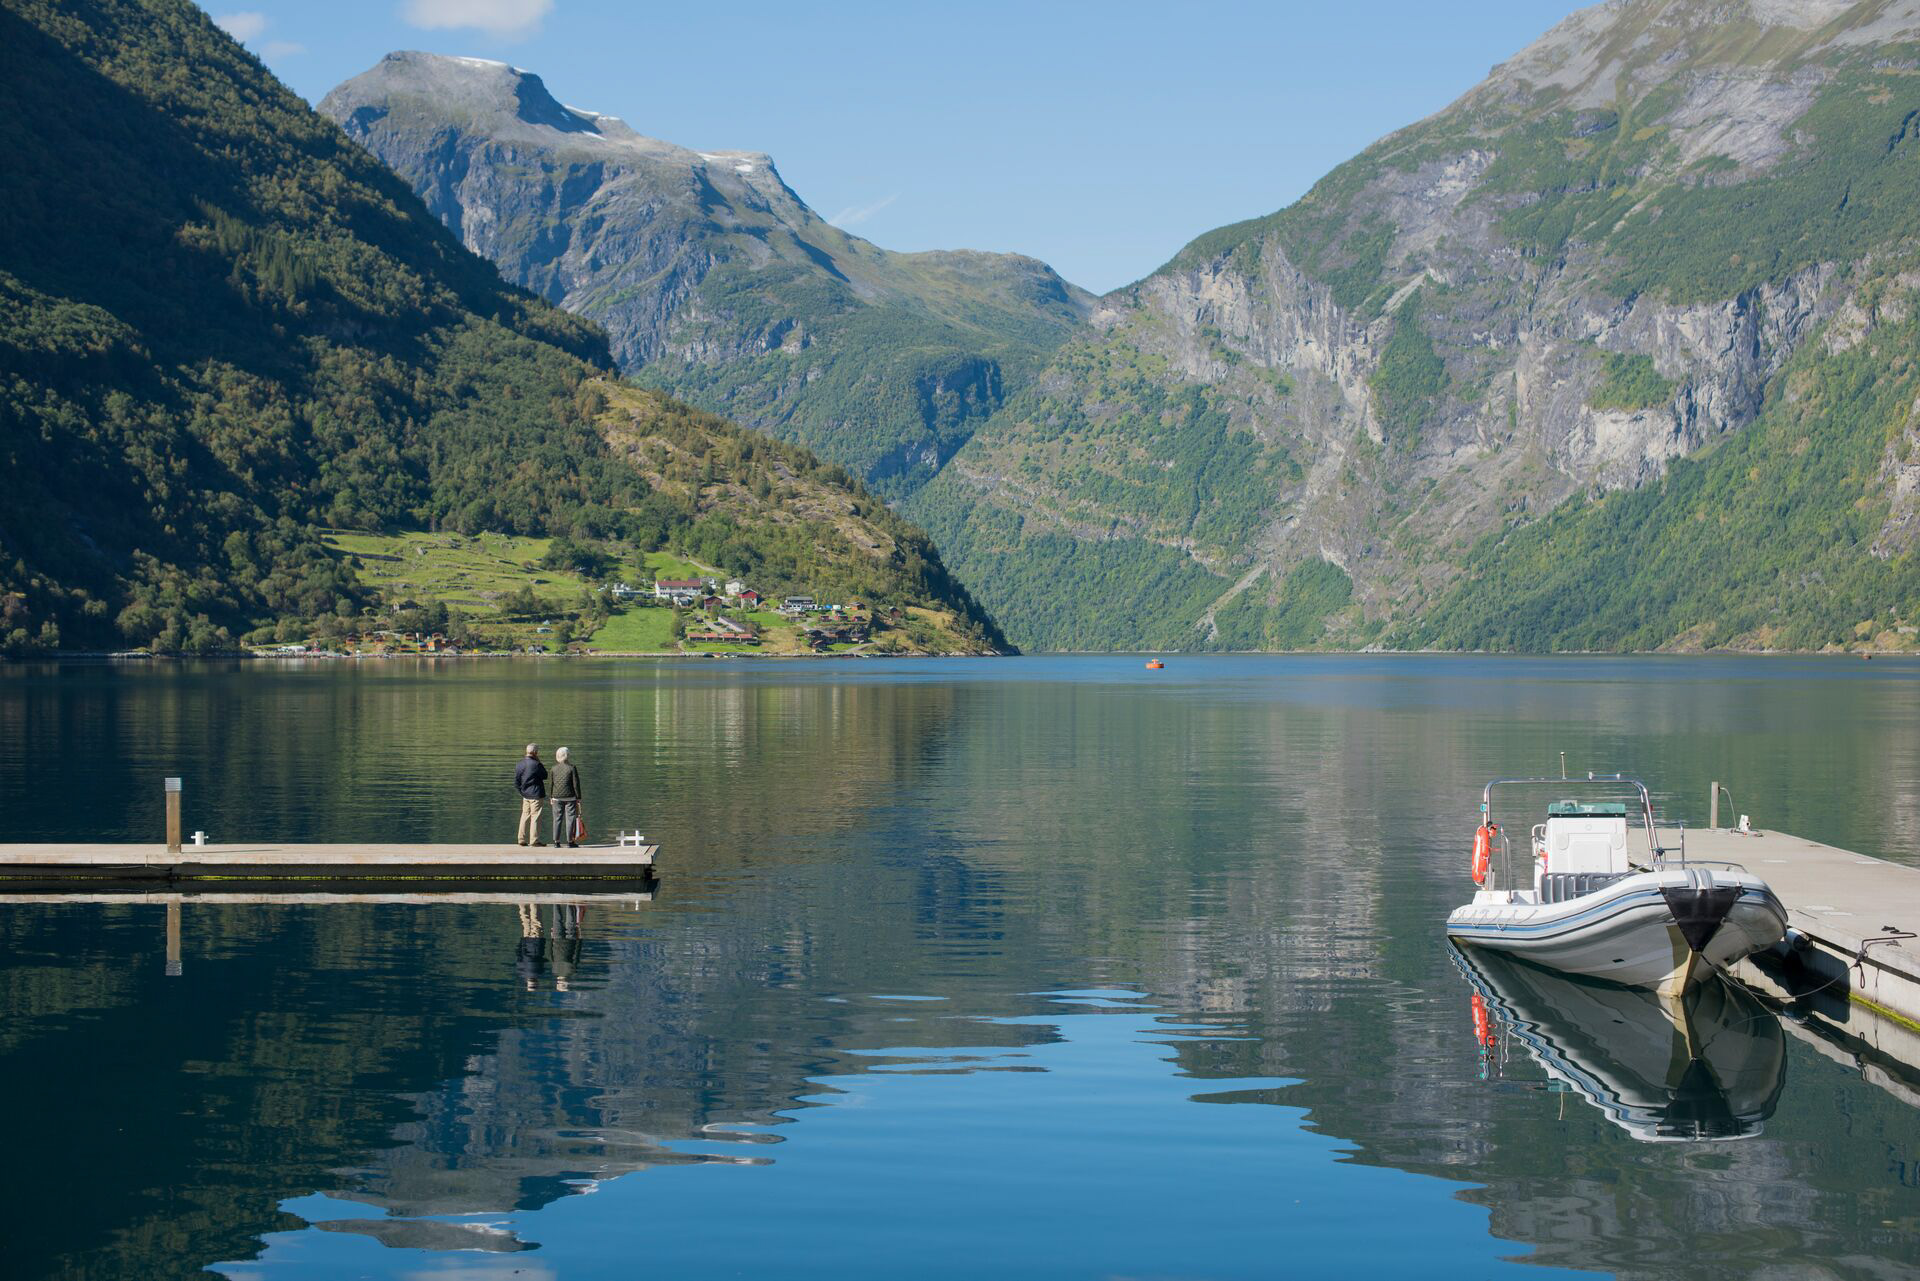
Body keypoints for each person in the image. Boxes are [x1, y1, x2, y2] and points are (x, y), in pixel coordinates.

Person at [549, 746, 583, 848]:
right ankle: (570, 841)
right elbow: (576, 784)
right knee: (570, 819)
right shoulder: (572, 768)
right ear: (567, 756)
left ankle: (556, 842)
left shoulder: (553, 768)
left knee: (557, 819)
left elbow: (551, 784)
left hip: (556, 797)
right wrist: (578, 797)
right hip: (570, 797)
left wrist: (551, 796)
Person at [514, 744, 548, 846]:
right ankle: (534, 840)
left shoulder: (519, 764)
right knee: (535, 817)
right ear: (535, 753)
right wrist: (539, 761)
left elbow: (516, 782)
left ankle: (521, 839)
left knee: (524, 816)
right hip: (536, 795)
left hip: (525, 795)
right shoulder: (536, 764)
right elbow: (545, 775)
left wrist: (522, 792)